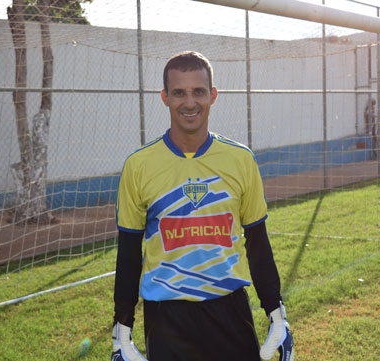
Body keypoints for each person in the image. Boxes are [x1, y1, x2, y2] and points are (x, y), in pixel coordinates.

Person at [111, 51, 294, 361]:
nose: (190, 101)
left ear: (213, 95)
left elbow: (258, 242)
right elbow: (129, 253)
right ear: (164, 97)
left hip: (230, 310)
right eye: (179, 92)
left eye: (198, 91)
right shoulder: (138, 166)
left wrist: (277, 313)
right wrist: (122, 331)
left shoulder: (240, 160)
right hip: (166, 318)